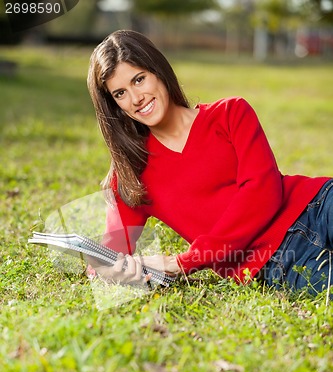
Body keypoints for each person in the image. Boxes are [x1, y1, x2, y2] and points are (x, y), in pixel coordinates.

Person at [87, 29, 332, 295]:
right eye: (120, 93)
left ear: (158, 71)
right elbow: (108, 256)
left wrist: (181, 262)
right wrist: (115, 271)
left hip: (316, 205)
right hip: (278, 263)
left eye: (139, 79)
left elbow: (263, 192)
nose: (136, 98)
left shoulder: (231, 113)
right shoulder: (131, 173)